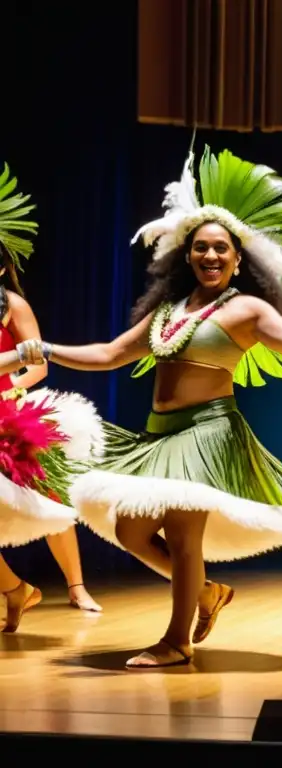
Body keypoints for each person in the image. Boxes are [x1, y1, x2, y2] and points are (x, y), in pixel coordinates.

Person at [18, 145, 282, 667]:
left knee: (184, 536)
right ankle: (208, 593)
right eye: (200, 249)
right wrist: (48, 350)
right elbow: (108, 355)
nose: (210, 256)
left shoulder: (245, 309)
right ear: (185, 256)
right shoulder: (169, 312)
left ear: (239, 258)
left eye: (221, 249)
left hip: (208, 433)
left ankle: (176, 641)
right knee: (131, 531)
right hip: (160, 434)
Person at [0, 161, 106, 632]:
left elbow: (39, 363)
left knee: (50, 501)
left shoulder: (11, 304)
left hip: (9, 411)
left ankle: (76, 585)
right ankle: (15, 589)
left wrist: (11, 387)